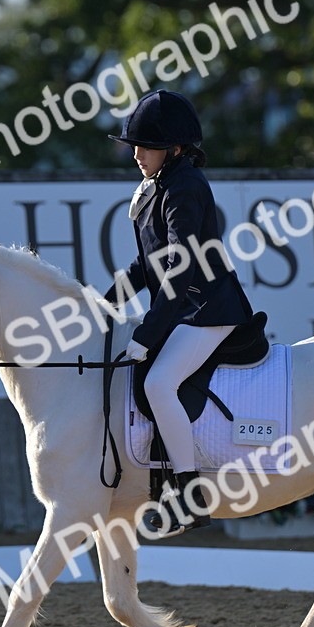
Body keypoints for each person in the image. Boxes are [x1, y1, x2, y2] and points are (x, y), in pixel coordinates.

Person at [105, 89, 255, 537]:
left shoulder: (185, 187)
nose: (135, 154)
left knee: (157, 382)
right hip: (186, 309)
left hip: (208, 309)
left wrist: (146, 335)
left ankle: (189, 496)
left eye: (144, 146)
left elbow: (179, 267)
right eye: (134, 145)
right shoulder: (157, 188)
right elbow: (145, 265)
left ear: (173, 148)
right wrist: (102, 304)